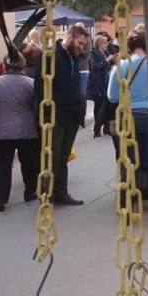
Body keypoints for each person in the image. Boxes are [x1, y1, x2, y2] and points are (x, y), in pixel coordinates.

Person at [0, 48, 40, 212]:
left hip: (2, 129)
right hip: (26, 129)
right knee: (28, 163)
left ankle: (0, 200)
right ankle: (30, 191)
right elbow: (36, 105)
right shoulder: (30, 83)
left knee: (2, 166)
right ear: (22, 64)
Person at [106, 31, 148, 209]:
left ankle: (125, 207)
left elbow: (112, 97)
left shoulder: (120, 67)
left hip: (128, 117)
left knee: (128, 164)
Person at [38, 23, 89, 206]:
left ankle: (61, 192)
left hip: (72, 115)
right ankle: (47, 195)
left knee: (64, 156)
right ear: (70, 37)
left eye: (84, 44)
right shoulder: (50, 56)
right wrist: (43, 115)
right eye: (80, 43)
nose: (81, 47)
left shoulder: (74, 58)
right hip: (55, 116)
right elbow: (39, 88)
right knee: (52, 156)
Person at [87, 34, 112, 138]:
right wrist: (106, 61)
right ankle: (97, 129)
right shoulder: (93, 54)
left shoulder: (106, 53)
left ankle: (106, 127)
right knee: (98, 107)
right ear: (100, 44)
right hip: (98, 83)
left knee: (107, 106)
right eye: (104, 43)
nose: (106, 45)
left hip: (106, 82)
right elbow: (94, 67)